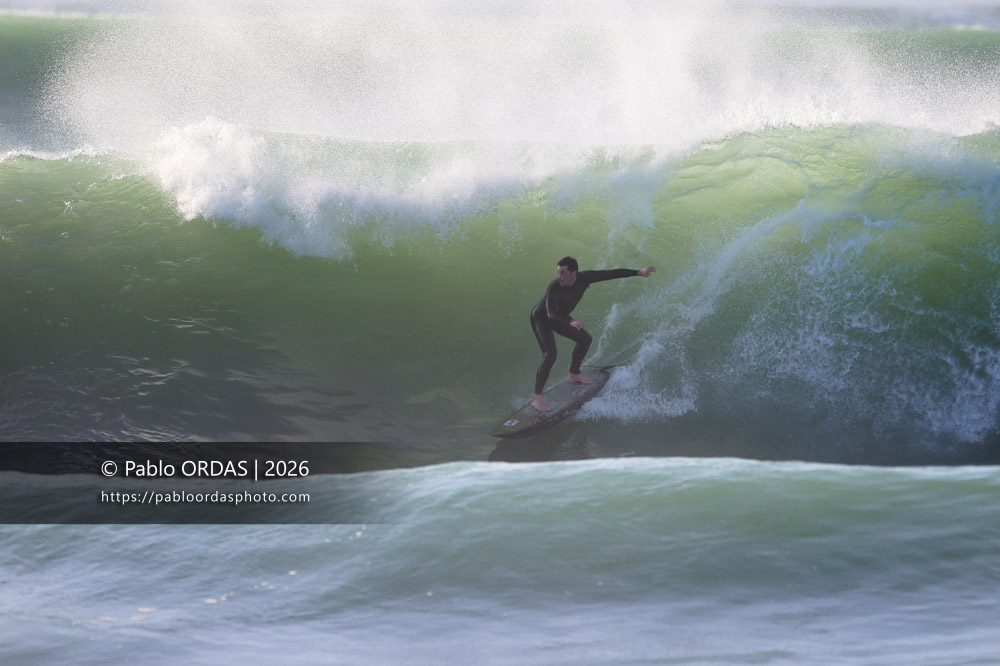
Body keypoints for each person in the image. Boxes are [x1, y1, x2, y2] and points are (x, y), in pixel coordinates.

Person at [530, 256, 656, 412]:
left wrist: (638, 272)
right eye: (558, 272)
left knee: (585, 339)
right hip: (542, 318)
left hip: (561, 318)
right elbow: (551, 314)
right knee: (550, 355)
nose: (559, 277)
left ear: (573, 273)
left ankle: (574, 374)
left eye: (563, 273)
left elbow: (610, 274)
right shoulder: (554, 287)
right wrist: (570, 321)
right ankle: (537, 399)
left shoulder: (585, 278)